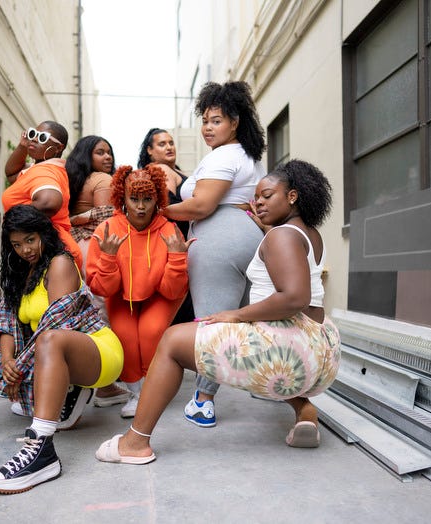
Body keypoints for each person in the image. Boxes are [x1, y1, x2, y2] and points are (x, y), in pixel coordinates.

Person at [95, 159, 341, 465]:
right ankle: (305, 410)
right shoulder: (307, 232)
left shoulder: (282, 236)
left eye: (268, 196)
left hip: (293, 349)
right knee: (245, 350)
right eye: (256, 196)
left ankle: (134, 443)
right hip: (319, 349)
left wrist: (236, 315)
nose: (258, 201)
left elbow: (294, 297)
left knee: (172, 341)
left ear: (292, 196)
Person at [0, 205, 124, 494]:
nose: (25, 250)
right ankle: (61, 393)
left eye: (30, 240)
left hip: (95, 348)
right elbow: (6, 321)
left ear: (43, 233)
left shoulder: (59, 263)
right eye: (16, 244)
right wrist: (8, 361)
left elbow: (56, 326)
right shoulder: (19, 273)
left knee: (50, 339)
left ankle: (41, 449)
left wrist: (19, 369)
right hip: (46, 352)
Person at [162, 81, 266, 427]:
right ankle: (275, 386)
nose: (208, 127)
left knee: (210, 324)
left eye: (216, 120)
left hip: (219, 240)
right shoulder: (246, 155)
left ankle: (203, 400)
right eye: (205, 120)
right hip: (247, 238)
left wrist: (161, 211)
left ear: (235, 121)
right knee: (246, 318)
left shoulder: (224, 155)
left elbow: (203, 205)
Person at [86, 164, 193, 418]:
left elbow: (172, 289)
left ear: (158, 198)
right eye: (134, 199)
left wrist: (178, 258)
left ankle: (153, 390)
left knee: (151, 331)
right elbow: (101, 287)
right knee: (124, 336)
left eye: (148, 199)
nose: (141, 206)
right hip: (120, 295)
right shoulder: (107, 230)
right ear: (121, 198)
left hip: (160, 295)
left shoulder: (169, 229)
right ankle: (137, 393)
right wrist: (109, 258)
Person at [65, 135, 130, 408]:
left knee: (80, 309)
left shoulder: (74, 181)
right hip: (96, 246)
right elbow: (108, 216)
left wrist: (75, 219)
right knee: (99, 310)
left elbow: (66, 218)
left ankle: (81, 377)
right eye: (100, 152)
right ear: (86, 156)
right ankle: (103, 385)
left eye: (109, 152)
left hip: (73, 247)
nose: (108, 158)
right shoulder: (103, 181)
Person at [2, 120, 83, 269]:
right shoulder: (39, 168)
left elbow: (49, 202)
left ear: (58, 147)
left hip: (49, 252)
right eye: (34, 134)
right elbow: (11, 172)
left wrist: (14, 222)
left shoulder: (45, 171)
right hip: (45, 249)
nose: (34, 139)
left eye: (42, 137)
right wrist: (22, 146)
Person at [137, 128, 194, 325]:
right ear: (150, 151)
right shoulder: (160, 170)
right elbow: (166, 208)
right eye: (162, 144)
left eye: (171, 142)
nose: (169, 147)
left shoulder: (173, 170)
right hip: (175, 243)